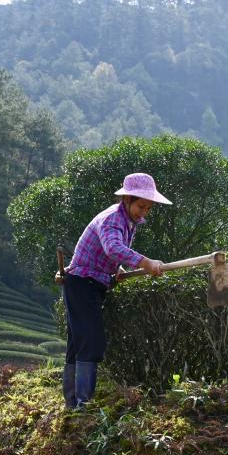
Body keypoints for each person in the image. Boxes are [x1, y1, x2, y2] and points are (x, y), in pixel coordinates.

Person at [61, 172, 171, 409]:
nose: (144, 212)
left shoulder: (128, 220)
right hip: (82, 282)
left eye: (148, 208)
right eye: (141, 206)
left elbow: (108, 251)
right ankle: (82, 404)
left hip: (91, 282)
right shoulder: (113, 218)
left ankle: (72, 404)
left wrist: (117, 267)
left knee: (78, 342)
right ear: (127, 199)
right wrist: (146, 262)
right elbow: (112, 247)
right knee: (90, 340)